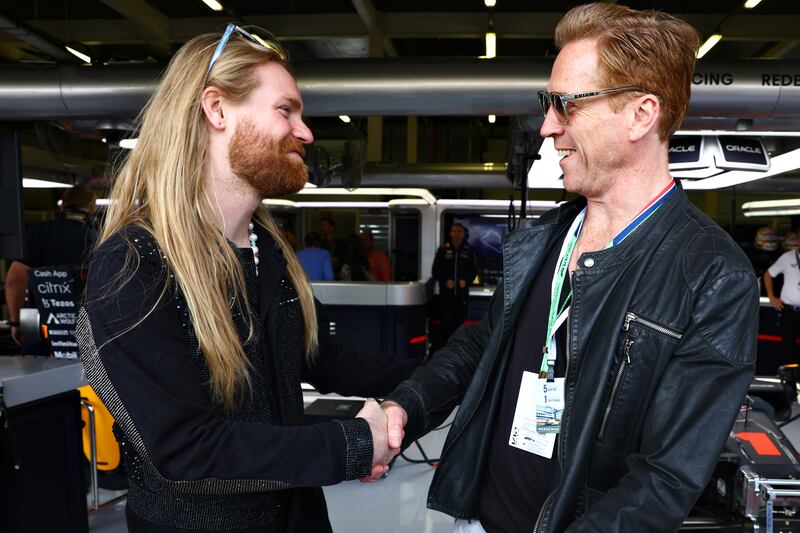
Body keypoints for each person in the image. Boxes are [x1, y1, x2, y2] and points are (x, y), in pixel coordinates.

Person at [377, 4, 759, 532]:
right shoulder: (546, 236)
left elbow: (664, 477)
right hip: (477, 520)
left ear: (641, 115)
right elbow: (480, 347)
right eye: (547, 103)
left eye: (566, 105)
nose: (548, 127)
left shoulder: (713, 277)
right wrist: (407, 406)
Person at [76, 24, 415, 533]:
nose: (305, 132)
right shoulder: (134, 265)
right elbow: (184, 449)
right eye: (286, 110)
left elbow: (321, 357)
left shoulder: (269, 254)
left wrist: (446, 374)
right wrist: (352, 444)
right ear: (216, 110)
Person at [5, 185, 96, 349]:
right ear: (92, 209)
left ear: (62, 205)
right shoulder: (95, 238)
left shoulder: (37, 232)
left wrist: (15, 322)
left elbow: (15, 280)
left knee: (34, 369)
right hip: (83, 326)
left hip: (33, 321)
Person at [431, 222, 478, 341]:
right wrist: (445, 280)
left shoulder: (468, 250)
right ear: (450, 233)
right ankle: (446, 351)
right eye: (454, 231)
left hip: (462, 296)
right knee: (446, 325)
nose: (457, 234)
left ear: (463, 234)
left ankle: (458, 350)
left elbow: (474, 271)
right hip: (446, 296)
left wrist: (466, 281)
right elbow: (435, 271)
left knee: (461, 325)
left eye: (459, 232)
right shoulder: (443, 250)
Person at [764, 230, 800, 360]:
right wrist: (772, 297)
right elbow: (768, 275)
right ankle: (788, 378)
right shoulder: (787, 257)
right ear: (797, 241)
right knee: (787, 349)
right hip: (789, 311)